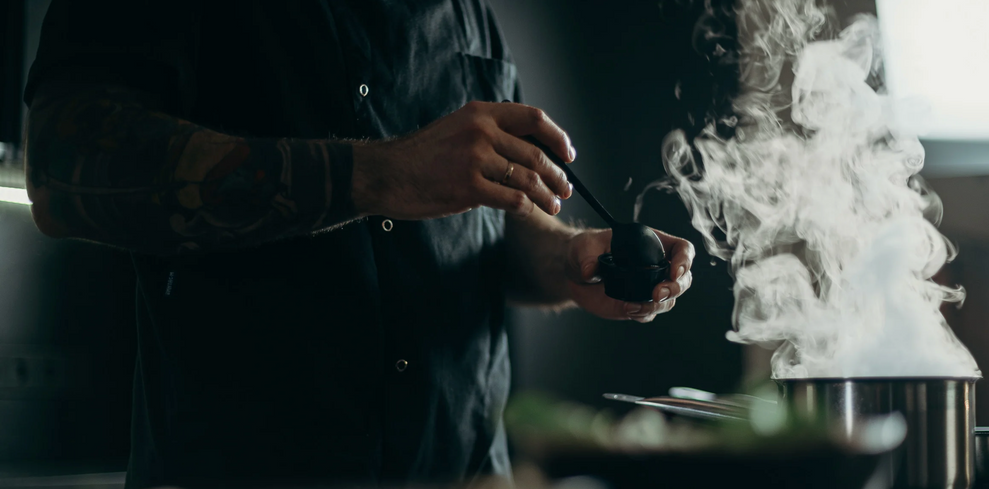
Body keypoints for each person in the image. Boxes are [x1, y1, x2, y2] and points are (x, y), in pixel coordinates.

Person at [23, 1, 695, 487]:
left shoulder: (468, 13)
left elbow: (485, 229)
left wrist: (566, 260)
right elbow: (63, 168)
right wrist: (380, 173)